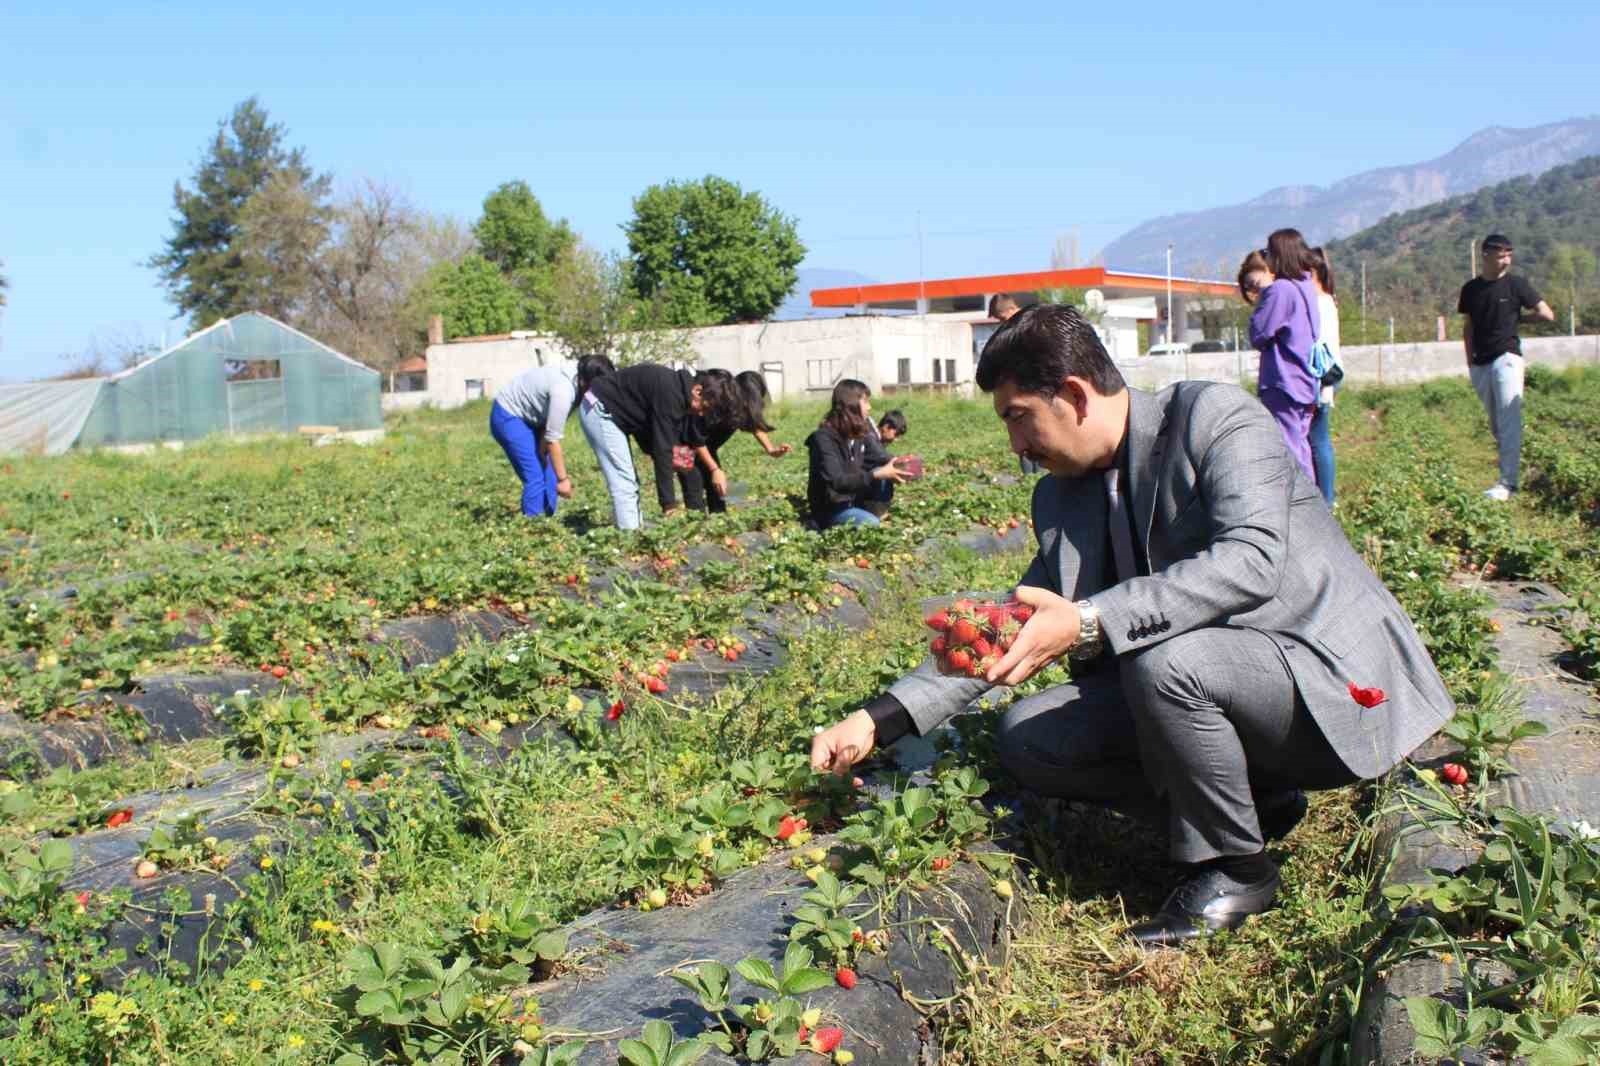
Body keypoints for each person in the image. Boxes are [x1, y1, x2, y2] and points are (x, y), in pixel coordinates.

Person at [808, 305, 1453, 948]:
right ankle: (1248, 806)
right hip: (1213, 687)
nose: (1016, 446)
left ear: (1073, 396)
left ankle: (1237, 869)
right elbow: (1009, 624)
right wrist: (877, 719)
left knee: (1164, 665)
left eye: (1018, 418)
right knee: (1028, 737)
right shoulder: (1065, 494)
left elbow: (1251, 561)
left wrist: (1090, 621)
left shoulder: (1215, 420)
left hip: (1323, 681)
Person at [578, 362, 740, 530]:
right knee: (625, 481)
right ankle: (629, 539)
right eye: (704, 409)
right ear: (698, 391)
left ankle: (693, 519)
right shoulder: (671, 395)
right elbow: (663, 450)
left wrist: (712, 469)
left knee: (687, 468)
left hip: (619, 413)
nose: (701, 414)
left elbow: (682, 441)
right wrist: (669, 505)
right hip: (600, 408)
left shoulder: (683, 392)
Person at [1458, 234, 1555, 501]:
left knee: (1508, 419)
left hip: (1508, 358)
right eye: (1501, 255)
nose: (1507, 260)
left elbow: (1547, 314)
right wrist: (1470, 362)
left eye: (1510, 254)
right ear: (1486, 255)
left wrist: (1519, 319)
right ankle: (1511, 473)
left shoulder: (1517, 285)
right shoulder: (1471, 290)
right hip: (1481, 363)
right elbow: (1468, 327)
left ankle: (1507, 483)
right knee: (1496, 423)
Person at [488, 355, 613, 517]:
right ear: (585, 382)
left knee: (549, 470)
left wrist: (542, 452)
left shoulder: (580, 375)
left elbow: (548, 433)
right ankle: (533, 529)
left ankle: (548, 521)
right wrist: (563, 480)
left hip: (535, 416)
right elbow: (553, 439)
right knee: (535, 476)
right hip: (509, 415)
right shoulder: (563, 391)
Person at [1249, 229, 1322, 483]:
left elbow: (1259, 333)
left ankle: (1302, 509)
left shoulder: (1280, 290)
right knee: (1300, 446)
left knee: (1289, 450)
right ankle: (1311, 505)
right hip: (1305, 381)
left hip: (1284, 382)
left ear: (1279, 255)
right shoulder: (1305, 285)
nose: (1266, 257)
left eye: (1268, 252)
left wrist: (1260, 297)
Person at [805, 380, 912, 528]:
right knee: (872, 525)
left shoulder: (857, 435)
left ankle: (870, 514)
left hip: (852, 500)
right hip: (831, 508)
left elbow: (878, 455)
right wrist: (876, 475)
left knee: (883, 473)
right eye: (866, 401)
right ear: (851, 404)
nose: (870, 407)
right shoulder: (823, 439)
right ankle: (820, 525)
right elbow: (838, 482)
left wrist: (902, 464)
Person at [692, 370, 792, 514]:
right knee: (694, 492)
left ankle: (718, 524)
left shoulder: (741, 406)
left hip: (708, 450)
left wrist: (770, 449)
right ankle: (693, 524)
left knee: (718, 492)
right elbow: (695, 439)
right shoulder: (720, 402)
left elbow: (754, 425)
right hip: (690, 448)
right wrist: (714, 469)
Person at [1308, 248, 1341, 506]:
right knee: (1319, 439)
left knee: (1318, 440)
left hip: (1322, 376)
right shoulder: (1328, 299)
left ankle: (1326, 500)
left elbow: (1318, 347)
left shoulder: (1319, 303)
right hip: (1328, 375)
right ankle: (1326, 497)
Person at [858, 410, 909, 512]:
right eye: (896, 434)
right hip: (855, 484)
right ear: (886, 427)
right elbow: (879, 455)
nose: (895, 439)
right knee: (884, 472)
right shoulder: (870, 435)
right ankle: (876, 512)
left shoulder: (873, 433)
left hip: (860, 480)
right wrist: (902, 463)